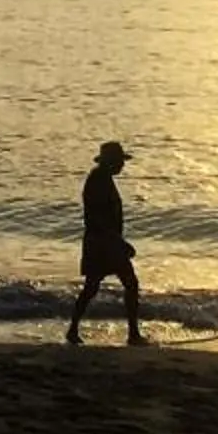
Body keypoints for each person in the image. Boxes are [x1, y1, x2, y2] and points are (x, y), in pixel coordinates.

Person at [66, 139, 143, 345]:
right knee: (130, 284)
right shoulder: (99, 180)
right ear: (111, 161)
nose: (122, 165)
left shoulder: (100, 178)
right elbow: (99, 217)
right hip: (104, 242)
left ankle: (73, 329)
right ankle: (133, 334)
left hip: (100, 241)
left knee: (92, 287)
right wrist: (119, 242)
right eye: (119, 161)